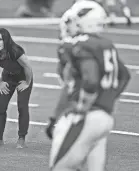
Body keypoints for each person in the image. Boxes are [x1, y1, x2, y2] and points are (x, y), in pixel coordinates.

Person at [45, 1, 131, 171]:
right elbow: (124, 76)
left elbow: (90, 81)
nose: (71, 25)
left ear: (86, 20)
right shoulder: (106, 44)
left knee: (60, 167)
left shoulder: (80, 45)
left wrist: (83, 107)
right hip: (105, 118)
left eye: (75, 20)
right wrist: (106, 101)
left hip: (87, 117)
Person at [0, 28, 33, 148]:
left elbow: (27, 66)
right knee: (0, 106)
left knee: (22, 107)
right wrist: (0, 82)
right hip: (7, 77)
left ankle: (21, 138)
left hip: (23, 77)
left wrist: (27, 83)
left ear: (6, 40)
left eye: (0, 39)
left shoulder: (15, 50)